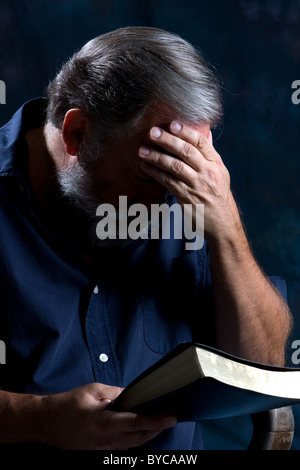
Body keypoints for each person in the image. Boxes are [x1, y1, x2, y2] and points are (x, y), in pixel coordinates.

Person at [0, 26, 292, 450]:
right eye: (146, 176)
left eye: (178, 174)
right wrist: (39, 420)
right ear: (77, 134)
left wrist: (226, 226)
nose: (161, 206)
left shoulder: (187, 198)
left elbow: (263, 367)